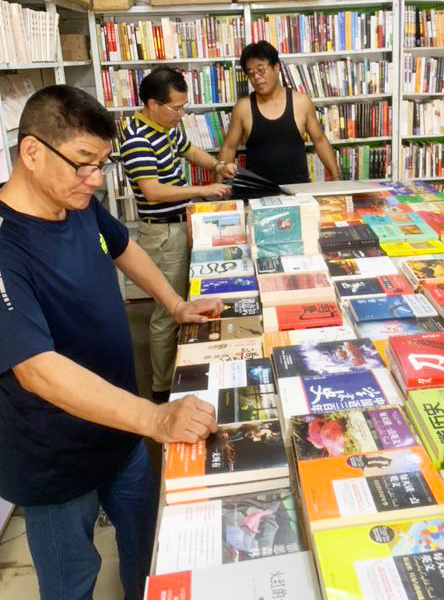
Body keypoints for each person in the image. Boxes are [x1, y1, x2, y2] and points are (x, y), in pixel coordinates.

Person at [0, 84, 225, 600]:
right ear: (32, 152)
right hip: (56, 458)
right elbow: (36, 369)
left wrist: (176, 304)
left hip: (121, 431)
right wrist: (157, 419)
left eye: (102, 164)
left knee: (149, 554)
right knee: (71, 582)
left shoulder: (76, 200)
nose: (96, 179)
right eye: (83, 163)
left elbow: (123, 248)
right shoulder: (6, 243)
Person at [120, 66, 237, 402]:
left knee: (182, 301)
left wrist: (217, 165)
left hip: (178, 226)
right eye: (176, 108)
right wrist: (201, 190)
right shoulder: (137, 138)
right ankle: (161, 387)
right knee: (166, 312)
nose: (181, 114)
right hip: (162, 234)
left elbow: (189, 150)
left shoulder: (165, 126)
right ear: (152, 104)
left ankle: (178, 372)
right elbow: (153, 191)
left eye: (184, 107)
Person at [218, 40, 341, 185]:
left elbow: (319, 141)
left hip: (298, 189)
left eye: (261, 70)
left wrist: (336, 179)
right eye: (251, 73)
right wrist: (219, 187)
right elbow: (229, 147)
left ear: (276, 67)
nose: (256, 77)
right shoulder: (243, 107)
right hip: (258, 191)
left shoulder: (301, 102)